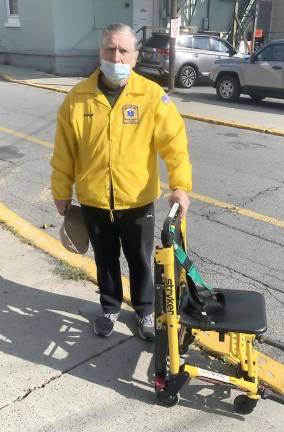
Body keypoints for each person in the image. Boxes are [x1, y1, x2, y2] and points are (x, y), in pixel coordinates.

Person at [50, 23, 192, 341]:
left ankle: (144, 311)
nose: (116, 56)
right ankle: (110, 307)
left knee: (141, 260)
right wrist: (62, 191)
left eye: (123, 50)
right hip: (94, 199)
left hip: (137, 199)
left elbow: (175, 143)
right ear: (100, 52)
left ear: (135, 56)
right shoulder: (77, 98)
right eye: (110, 49)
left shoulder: (151, 96)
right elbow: (64, 151)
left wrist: (180, 185)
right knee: (105, 259)